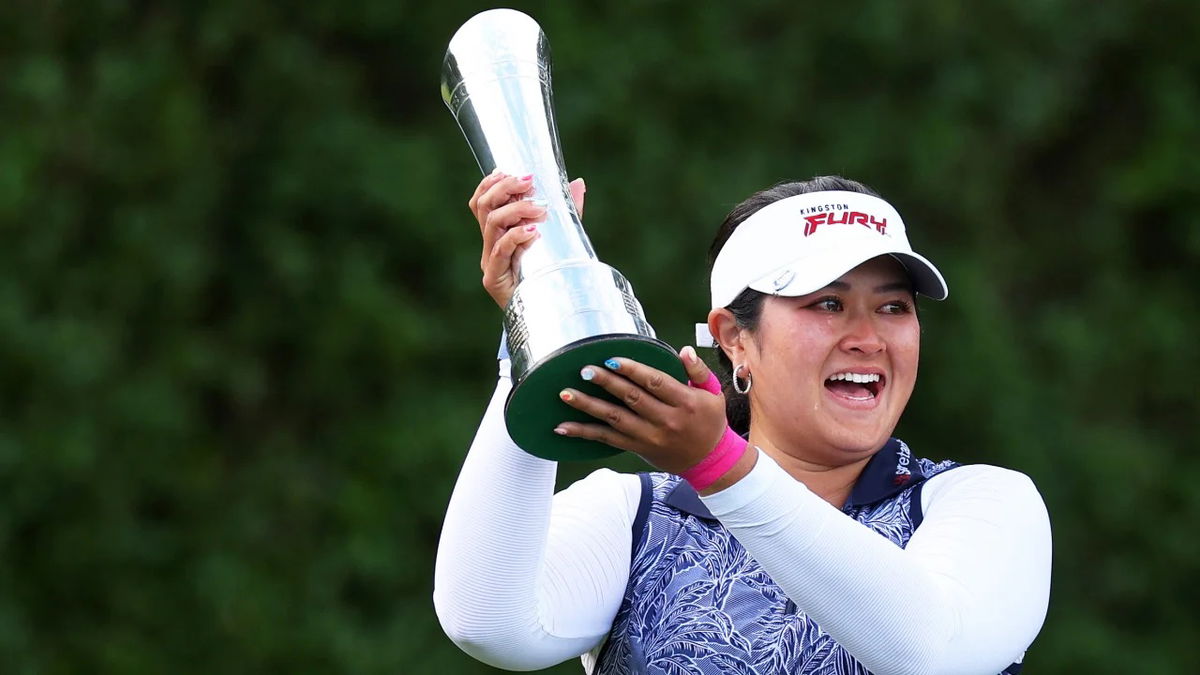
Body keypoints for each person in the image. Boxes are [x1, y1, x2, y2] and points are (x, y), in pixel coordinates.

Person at [434, 173, 1051, 675]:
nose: (867, 338)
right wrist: (536, 327)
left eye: (893, 307)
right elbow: (487, 621)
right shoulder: (632, 515)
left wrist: (718, 465)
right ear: (734, 339)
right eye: (827, 304)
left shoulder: (982, 503)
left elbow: (933, 654)